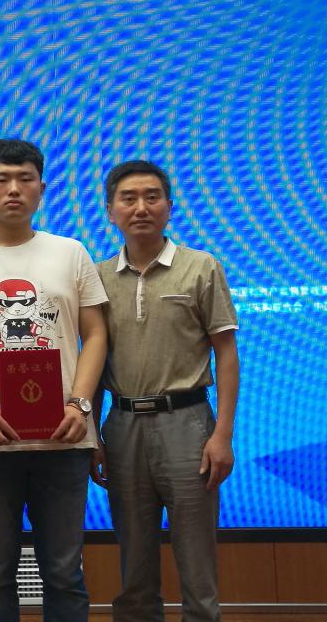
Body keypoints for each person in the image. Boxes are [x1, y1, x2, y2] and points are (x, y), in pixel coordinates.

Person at [0, 139, 107, 622]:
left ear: (42, 189)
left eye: (25, 179)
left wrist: (80, 405)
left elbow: (96, 334)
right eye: (1, 180)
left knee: (65, 572)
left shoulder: (71, 253)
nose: (14, 189)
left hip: (64, 436)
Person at [92, 160, 239, 622]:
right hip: (122, 427)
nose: (141, 207)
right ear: (110, 210)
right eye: (128, 198)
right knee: (134, 565)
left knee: (197, 562)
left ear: (169, 207)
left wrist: (222, 435)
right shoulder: (97, 276)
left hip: (188, 425)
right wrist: (92, 433)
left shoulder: (201, 267)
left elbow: (226, 353)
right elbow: (91, 361)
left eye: (152, 197)